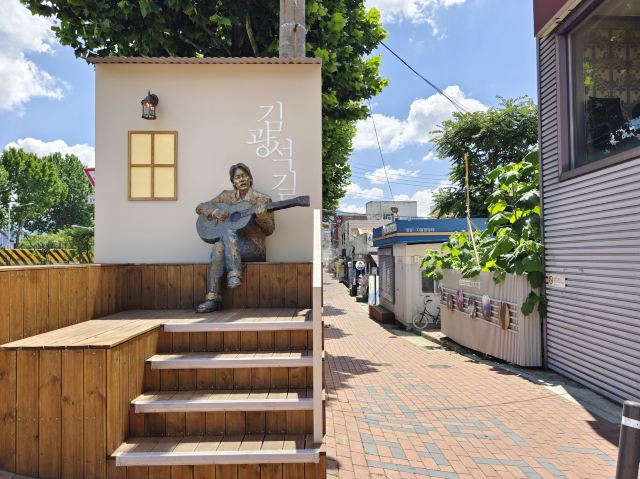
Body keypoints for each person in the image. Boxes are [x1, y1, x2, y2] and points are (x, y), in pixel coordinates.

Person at [195, 163, 275, 312]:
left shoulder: (262, 200)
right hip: (229, 248)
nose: (242, 179)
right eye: (238, 177)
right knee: (218, 246)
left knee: (226, 234)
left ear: (250, 178)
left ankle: (233, 274)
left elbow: (269, 230)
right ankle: (213, 298)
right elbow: (200, 207)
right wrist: (215, 212)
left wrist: (262, 217)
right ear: (233, 182)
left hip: (253, 248)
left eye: (244, 176)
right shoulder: (225, 197)